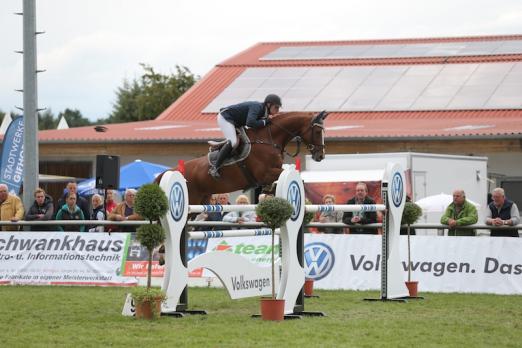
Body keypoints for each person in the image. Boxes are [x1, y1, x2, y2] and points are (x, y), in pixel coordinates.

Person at [209, 94, 282, 179]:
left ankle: (223, 149)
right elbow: (250, 123)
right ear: (269, 105)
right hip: (225, 117)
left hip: (237, 122)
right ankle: (215, 168)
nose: (277, 111)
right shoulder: (257, 107)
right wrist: (265, 122)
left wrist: (266, 121)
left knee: (243, 140)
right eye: (276, 107)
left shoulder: (264, 112)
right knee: (233, 142)